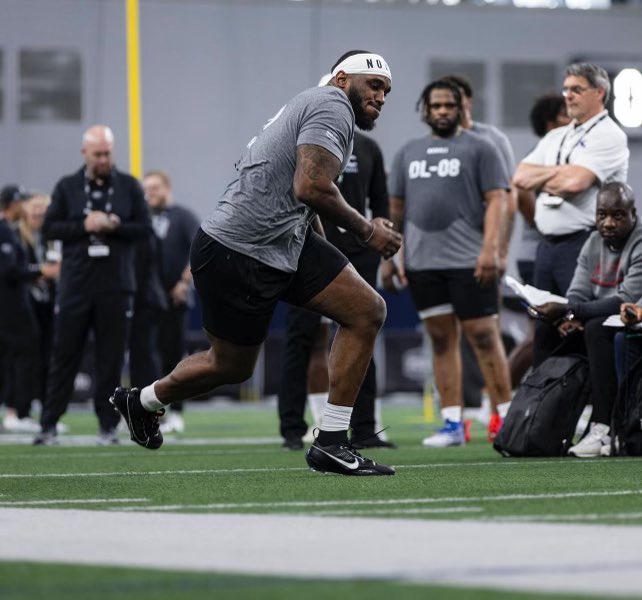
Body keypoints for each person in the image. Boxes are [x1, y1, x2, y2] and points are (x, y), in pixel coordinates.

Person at [112, 51, 402, 477]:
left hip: (279, 242)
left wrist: (326, 260)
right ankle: (141, 402)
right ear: (342, 79)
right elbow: (312, 186)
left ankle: (332, 442)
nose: (381, 96)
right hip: (240, 249)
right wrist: (367, 232)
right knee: (230, 365)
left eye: (386, 91)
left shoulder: (316, 105)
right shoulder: (332, 103)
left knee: (366, 309)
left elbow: (300, 191)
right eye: (374, 85)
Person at [383, 79, 512, 447]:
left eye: (448, 106)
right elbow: (395, 209)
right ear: (425, 110)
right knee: (441, 340)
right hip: (424, 263)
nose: (441, 111)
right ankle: (453, 424)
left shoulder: (481, 148)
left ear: (461, 109)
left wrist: (491, 250)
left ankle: (505, 418)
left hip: (469, 261)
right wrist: (391, 258)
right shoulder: (408, 152)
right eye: (435, 105)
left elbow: (499, 201)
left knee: (485, 337)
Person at [278, 120, 393, 450]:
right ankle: (291, 429)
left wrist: (383, 250)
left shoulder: (369, 147)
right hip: (308, 252)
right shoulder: (305, 143)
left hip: (358, 254)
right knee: (301, 338)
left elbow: (381, 203)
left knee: (364, 333)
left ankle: (365, 428)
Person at [33, 126, 151, 446]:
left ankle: (107, 426)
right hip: (76, 285)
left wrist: (115, 225)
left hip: (116, 286)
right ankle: (49, 424)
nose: (103, 158)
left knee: (110, 360)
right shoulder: (68, 187)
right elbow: (49, 229)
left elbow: (145, 230)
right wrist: (83, 225)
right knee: (64, 355)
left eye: (107, 152)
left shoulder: (128, 186)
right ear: (84, 153)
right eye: (97, 153)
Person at [513, 62, 629, 365]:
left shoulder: (609, 135)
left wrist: (555, 176)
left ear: (599, 92)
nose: (568, 95)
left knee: (581, 328)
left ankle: (592, 408)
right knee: (544, 332)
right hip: (547, 246)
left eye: (577, 89)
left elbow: (576, 182)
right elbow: (521, 177)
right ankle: (545, 409)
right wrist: (561, 176)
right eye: (566, 89)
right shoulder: (556, 137)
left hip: (584, 244)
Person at [532, 183, 642, 457]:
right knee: (551, 331)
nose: (608, 223)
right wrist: (570, 316)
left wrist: (575, 311)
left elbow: (624, 298)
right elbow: (578, 289)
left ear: (633, 214)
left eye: (618, 215)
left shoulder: (640, 243)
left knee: (596, 330)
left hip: (629, 319)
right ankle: (543, 424)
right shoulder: (592, 242)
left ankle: (603, 426)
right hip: (598, 315)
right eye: (602, 214)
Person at [441, 74, 516, 435]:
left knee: (487, 334)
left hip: (481, 253)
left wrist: (500, 249)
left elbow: (507, 199)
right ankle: (460, 415)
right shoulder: (436, 143)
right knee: (448, 336)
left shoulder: (491, 140)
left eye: (454, 101)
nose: (448, 108)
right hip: (442, 258)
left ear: (467, 102)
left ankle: (497, 410)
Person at [132, 171, 200, 435]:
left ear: (167, 187)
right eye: (146, 188)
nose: (150, 192)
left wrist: (184, 282)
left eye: (155, 187)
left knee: (173, 356)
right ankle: (144, 412)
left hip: (174, 299)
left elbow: (198, 249)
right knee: (146, 356)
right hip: (146, 300)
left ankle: (178, 412)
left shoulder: (182, 215)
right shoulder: (141, 218)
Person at [510, 93, 570, 386]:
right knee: (540, 334)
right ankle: (498, 397)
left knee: (561, 330)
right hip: (538, 254)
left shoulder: (567, 153)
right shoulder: (543, 154)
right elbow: (519, 189)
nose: (571, 119)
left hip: (557, 253)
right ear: (550, 122)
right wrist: (544, 223)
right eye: (564, 114)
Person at [1, 186, 59, 432]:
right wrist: (40, 272)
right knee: (21, 354)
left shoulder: (12, 232)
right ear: (14, 204)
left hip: (17, 302)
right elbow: (9, 271)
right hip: (11, 304)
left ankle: (17, 411)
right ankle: (16, 412)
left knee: (22, 354)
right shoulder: (6, 231)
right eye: (24, 203)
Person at [18, 192, 60, 414]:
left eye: (43, 208)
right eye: (34, 207)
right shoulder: (17, 235)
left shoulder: (51, 238)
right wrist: (40, 272)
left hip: (47, 304)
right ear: (25, 209)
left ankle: (45, 406)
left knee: (47, 356)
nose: (38, 211)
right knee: (25, 357)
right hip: (23, 305)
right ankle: (19, 408)